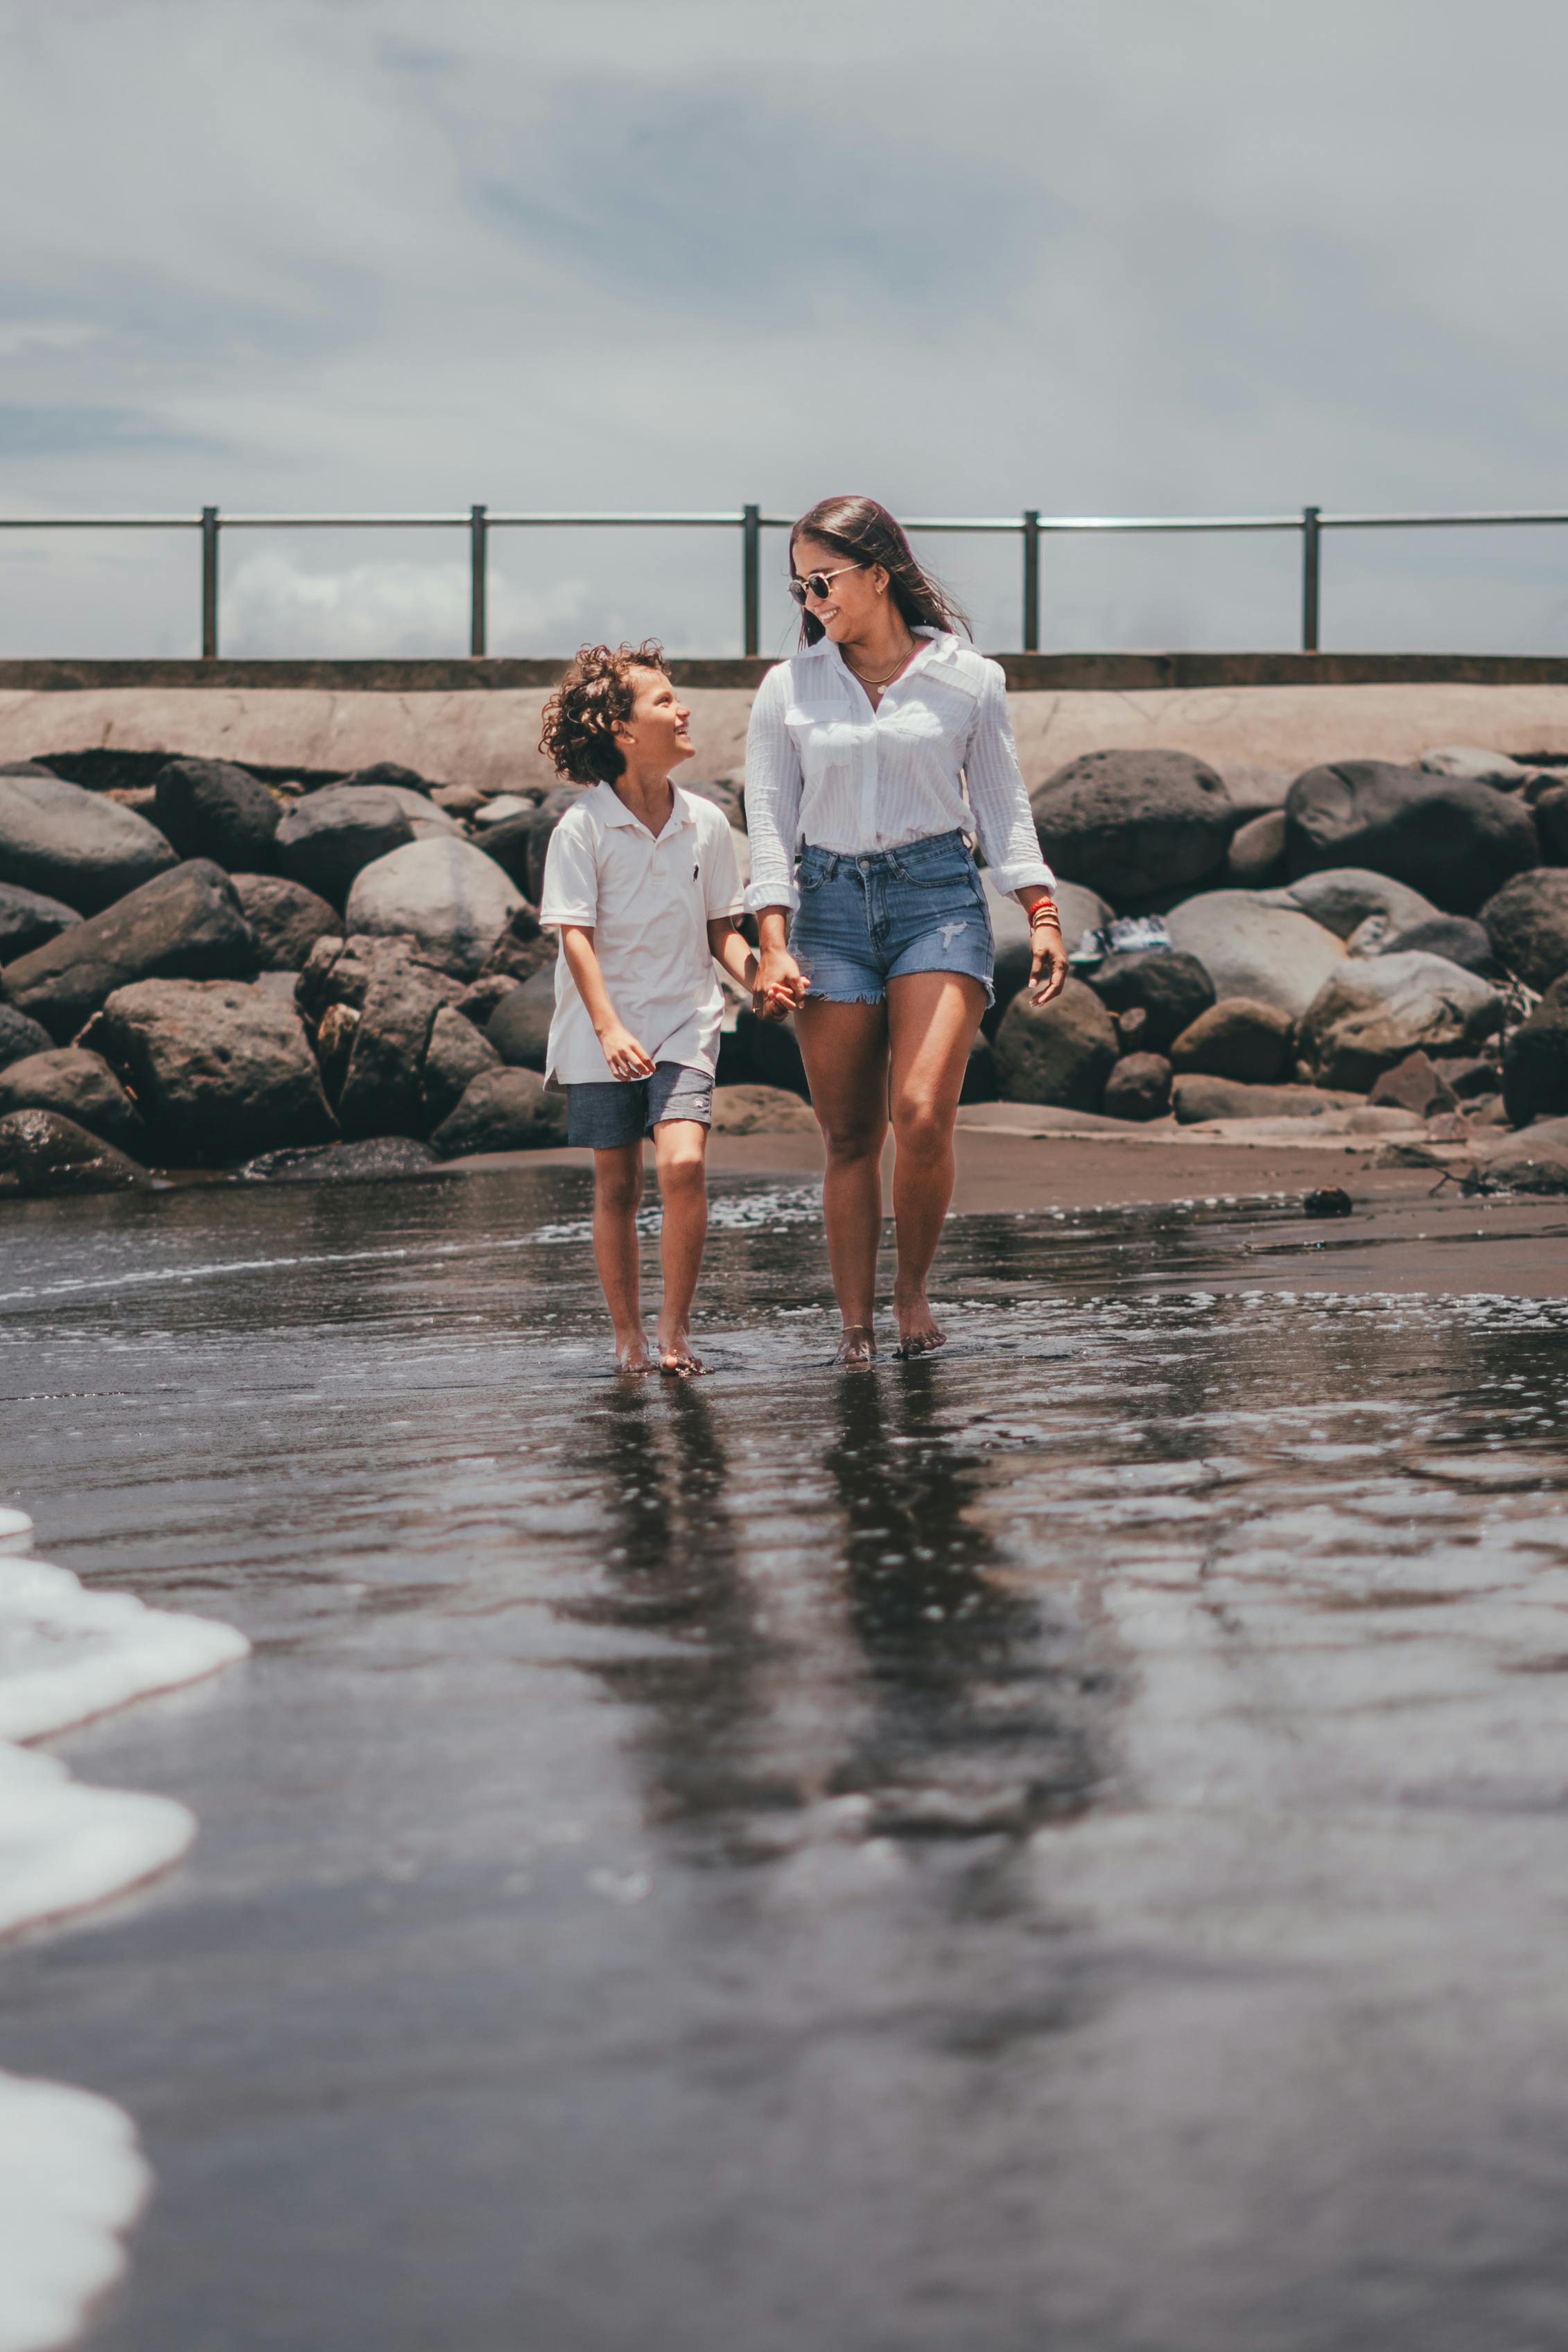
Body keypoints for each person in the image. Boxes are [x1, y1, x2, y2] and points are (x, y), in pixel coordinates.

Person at [744, 495, 1068, 1368]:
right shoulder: (789, 688)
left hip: (938, 900)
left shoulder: (970, 678)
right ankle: (853, 1326)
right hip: (829, 910)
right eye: (799, 587)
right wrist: (771, 941)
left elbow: (1004, 806)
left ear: (876, 575)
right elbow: (770, 823)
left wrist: (1039, 909)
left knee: (921, 1112)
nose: (811, 601)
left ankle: (912, 1291)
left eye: (823, 581)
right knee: (850, 1138)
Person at [538, 641, 764, 1377]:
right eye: (664, 700)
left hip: (684, 1022)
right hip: (600, 1030)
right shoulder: (583, 826)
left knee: (686, 1164)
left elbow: (721, 932)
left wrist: (757, 975)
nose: (683, 708)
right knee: (617, 1185)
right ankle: (628, 1337)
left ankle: (673, 1333)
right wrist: (607, 1028)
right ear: (620, 729)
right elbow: (575, 937)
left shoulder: (707, 821)